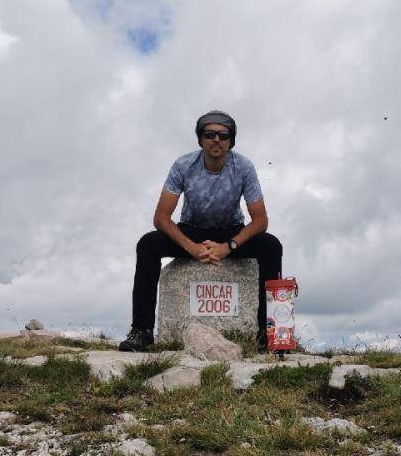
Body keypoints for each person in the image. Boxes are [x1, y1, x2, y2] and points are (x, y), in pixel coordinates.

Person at [120, 110, 282, 353]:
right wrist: (192, 248)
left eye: (223, 135)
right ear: (200, 139)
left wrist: (228, 247)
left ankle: (271, 335)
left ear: (231, 141)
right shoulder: (183, 165)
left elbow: (260, 221)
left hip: (230, 233)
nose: (216, 139)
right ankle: (141, 330)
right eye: (209, 134)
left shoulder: (244, 167)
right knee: (148, 244)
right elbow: (161, 218)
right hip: (191, 231)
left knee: (271, 246)